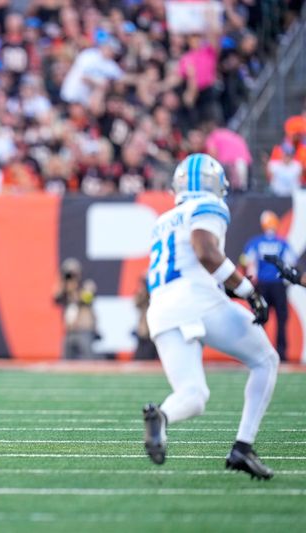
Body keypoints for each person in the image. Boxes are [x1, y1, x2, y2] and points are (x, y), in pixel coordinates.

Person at [142, 153, 278, 480]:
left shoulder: (164, 220)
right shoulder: (208, 205)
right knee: (266, 360)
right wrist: (249, 291)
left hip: (161, 308)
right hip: (199, 300)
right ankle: (243, 448)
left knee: (193, 395)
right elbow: (205, 251)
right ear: (214, 183)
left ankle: (162, 416)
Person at [241, 211, 296, 359]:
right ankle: (281, 354)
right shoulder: (282, 243)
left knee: (261, 319)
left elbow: (247, 261)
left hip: (262, 285)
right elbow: (291, 263)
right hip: (278, 285)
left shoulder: (256, 242)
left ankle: (260, 352)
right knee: (281, 320)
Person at [53, 258, 99, 360]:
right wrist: (61, 282)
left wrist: (74, 288)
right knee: (67, 361)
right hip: (70, 331)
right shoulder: (65, 289)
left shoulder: (86, 285)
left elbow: (86, 299)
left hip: (84, 329)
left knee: (88, 359)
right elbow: (55, 299)